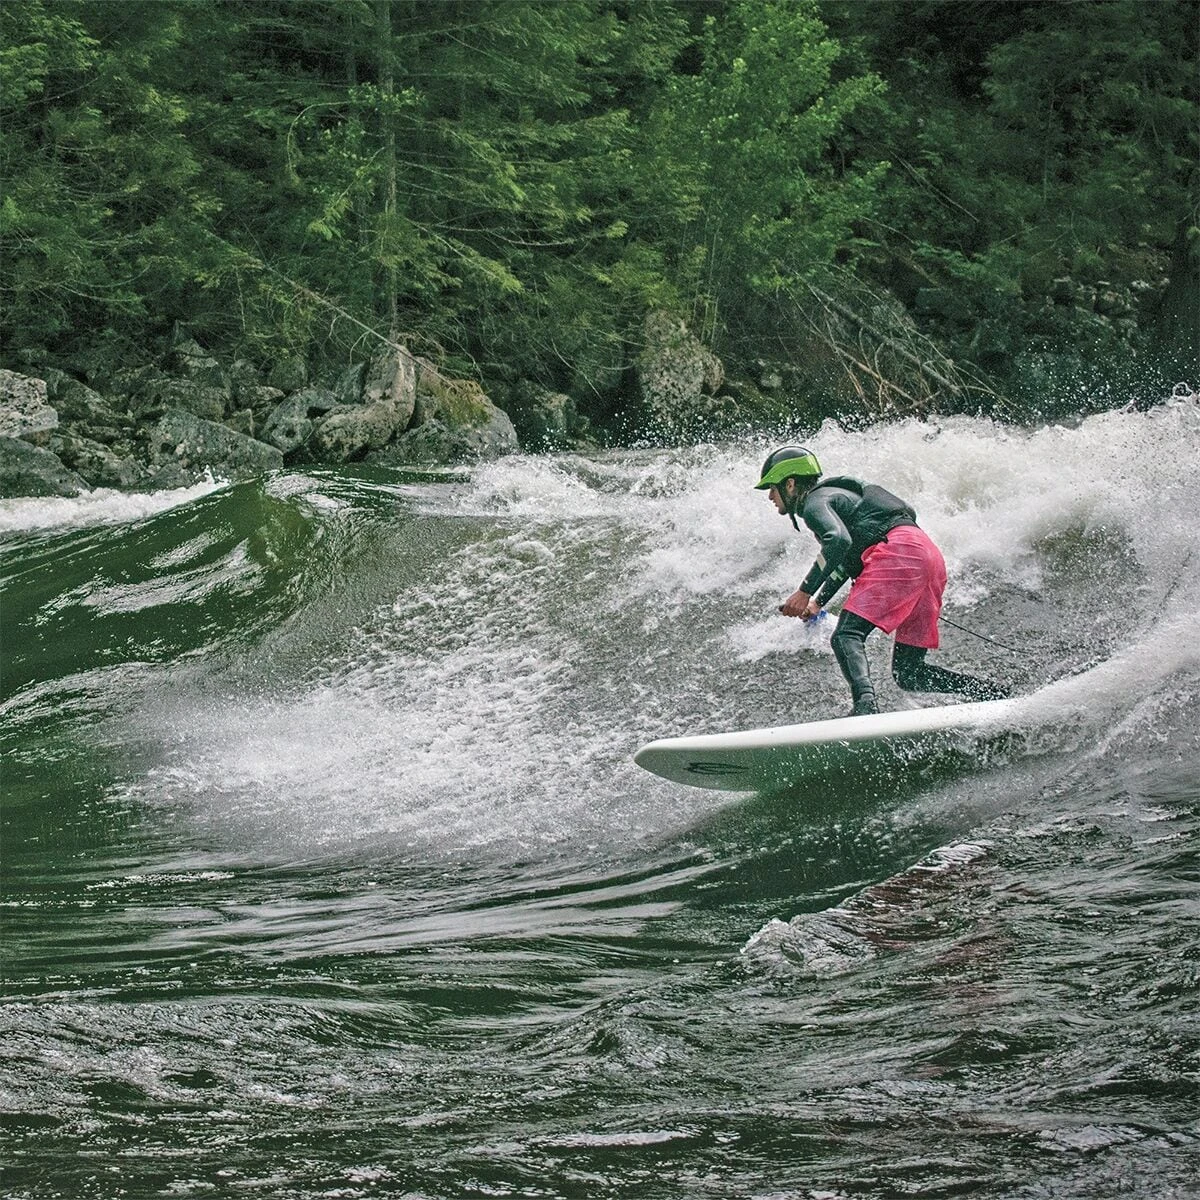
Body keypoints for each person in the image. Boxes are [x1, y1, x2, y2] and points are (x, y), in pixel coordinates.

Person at [755, 445, 1007, 716]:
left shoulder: (814, 502)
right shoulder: (838, 497)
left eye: (772, 487)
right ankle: (992, 694)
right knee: (909, 673)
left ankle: (865, 709)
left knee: (846, 636)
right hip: (927, 555)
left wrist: (804, 591)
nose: (770, 496)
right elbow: (844, 558)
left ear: (790, 484)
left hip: (897, 553)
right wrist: (818, 602)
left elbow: (837, 540)